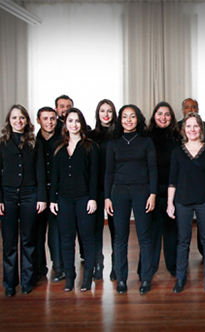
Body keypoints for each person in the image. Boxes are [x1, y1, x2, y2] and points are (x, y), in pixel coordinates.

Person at [105, 104, 157, 294]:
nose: (128, 120)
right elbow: (109, 172)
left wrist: (152, 194)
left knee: (144, 235)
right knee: (120, 236)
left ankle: (145, 278)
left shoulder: (146, 141)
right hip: (118, 192)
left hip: (142, 191)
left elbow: (153, 169)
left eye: (132, 116)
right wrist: (106, 197)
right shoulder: (114, 142)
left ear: (138, 119)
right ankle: (121, 279)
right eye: (125, 116)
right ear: (120, 120)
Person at [167, 112, 205, 294]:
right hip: (182, 201)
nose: (192, 129)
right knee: (183, 241)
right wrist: (170, 203)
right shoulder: (177, 151)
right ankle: (181, 277)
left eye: (195, 126)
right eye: (188, 126)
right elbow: (172, 180)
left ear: (201, 128)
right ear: (184, 129)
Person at [49, 108, 98, 292]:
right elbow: (54, 175)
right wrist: (53, 199)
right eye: (70, 121)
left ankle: (87, 278)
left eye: (77, 121)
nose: (74, 124)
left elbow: (94, 176)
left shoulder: (90, 146)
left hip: (84, 198)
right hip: (63, 199)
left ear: (82, 124)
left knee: (87, 239)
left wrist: (92, 198)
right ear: (65, 124)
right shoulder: (58, 146)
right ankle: (70, 277)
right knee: (67, 239)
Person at [0, 105, 47, 297]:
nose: (18, 121)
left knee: (29, 240)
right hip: (8, 195)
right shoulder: (2, 143)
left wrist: (42, 197)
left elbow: (40, 171)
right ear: (9, 121)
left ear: (27, 120)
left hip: (30, 194)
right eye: (14, 118)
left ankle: (28, 281)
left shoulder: (34, 142)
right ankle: (10, 283)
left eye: (21, 118)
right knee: (9, 241)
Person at [142, 101, 181, 278]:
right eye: (159, 114)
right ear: (154, 116)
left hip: (174, 192)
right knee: (151, 234)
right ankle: (148, 270)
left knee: (173, 232)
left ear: (171, 117)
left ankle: (174, 267)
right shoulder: (146, 136)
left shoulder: (179, 138)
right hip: (151, 192)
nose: (163, 117)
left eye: (167, 114)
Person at [88, 99, 118, 280]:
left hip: (115, 188)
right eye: (102, 111)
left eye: (109, 111)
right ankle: (98, 264)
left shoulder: (118, 135)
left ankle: (116, 264)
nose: (106, 115)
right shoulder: (91, 136)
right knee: (96, 228)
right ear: (98, 114)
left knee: (116, 228)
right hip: (96, 188)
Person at [34, 107, 65, 283]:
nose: (49, 122)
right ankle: (39, 269)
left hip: (57, 193)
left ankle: (59, 267)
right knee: (37, 233)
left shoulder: (62, 141)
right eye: (45, 118)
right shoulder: (32, 141)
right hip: (37, 193)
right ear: (39, 120)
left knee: (56, 233)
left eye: (52, 118)